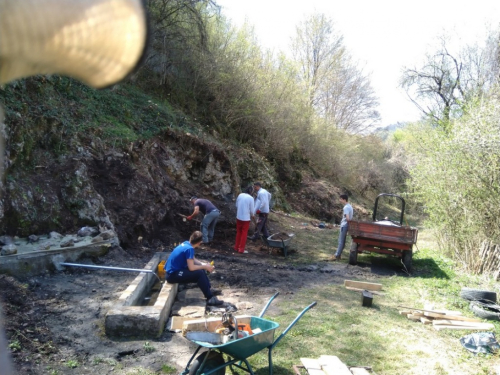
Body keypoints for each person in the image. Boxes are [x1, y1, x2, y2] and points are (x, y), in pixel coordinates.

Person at [165, 231, 223, 306]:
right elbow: (191, 268)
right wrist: (205, 267)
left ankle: (208, 290)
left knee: (201, 270)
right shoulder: (190, 249)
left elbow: (193, 260)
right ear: (199, 243)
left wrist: (204, 265)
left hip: (174, 272)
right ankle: (210, 298)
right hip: (172, 275)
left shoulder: (186, 244)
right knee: (199, 273)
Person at [330, 194, 354, 261]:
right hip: (347, 225)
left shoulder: (346, 207)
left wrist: (347, 224)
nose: (340, 200)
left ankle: (336, 255)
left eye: (340, 199)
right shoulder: (350, 206)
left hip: (344, 225)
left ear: (344, 199)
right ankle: (339, 255)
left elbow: (348, 218)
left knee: (341, 241)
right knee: (342, 241)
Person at [234, 186, 255, 254]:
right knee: (244, 233)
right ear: (251, 191)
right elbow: (252, 210)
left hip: (238, 217)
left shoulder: (240, 195)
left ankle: (236, 247)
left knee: (239, 232)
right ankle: (241, 249)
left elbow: (236, 205)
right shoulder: (251, 198)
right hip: (245, 218)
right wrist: (252, 215)